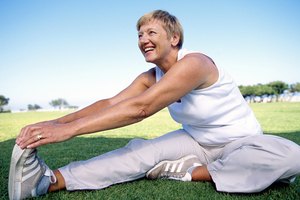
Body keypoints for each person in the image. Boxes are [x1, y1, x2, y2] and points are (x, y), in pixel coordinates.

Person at [8, 10, 300, 199]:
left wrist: (70, 132)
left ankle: (190, 172)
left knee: (291, 157)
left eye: (151, 33)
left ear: (174, 38)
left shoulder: (195, 63)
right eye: (139, 34)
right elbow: (111, 103)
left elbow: (141, 109)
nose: (143, 39)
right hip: (196, 140)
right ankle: (47, 181)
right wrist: (57, 124)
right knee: (139, 152)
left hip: (241, 142)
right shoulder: (151, 76)